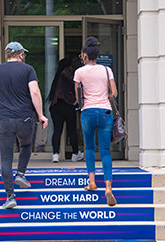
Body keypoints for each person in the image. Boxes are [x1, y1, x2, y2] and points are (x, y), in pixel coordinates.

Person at [0, 41, 48, 209]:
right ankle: (21, 173)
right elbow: (34, 92)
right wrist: (40, 115)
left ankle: (10, 196)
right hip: (24, 118)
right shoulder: (28, 70)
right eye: (23, 54)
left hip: (3, 119)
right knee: (26, 145)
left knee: (5, 159)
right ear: (20, 55)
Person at [74, 37, 118, 206]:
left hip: (88, 112)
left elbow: (78, 97)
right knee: (106, 151)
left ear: (85, 55)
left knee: (89, 147)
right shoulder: (107, 70)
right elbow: (114, 93)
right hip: (105, 111)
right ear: (97, 55)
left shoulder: (80, 72)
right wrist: (104, 96)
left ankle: (92, 181)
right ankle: (108, 188)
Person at [48, 58, 84, 163]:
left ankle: (55, 155)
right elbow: (75, 84)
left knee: (57, 130)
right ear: (69, 66)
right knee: (71, 130)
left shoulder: (58, 76)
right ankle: (75, 154)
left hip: (56, 106)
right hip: (67, 105)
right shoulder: (66, 72)